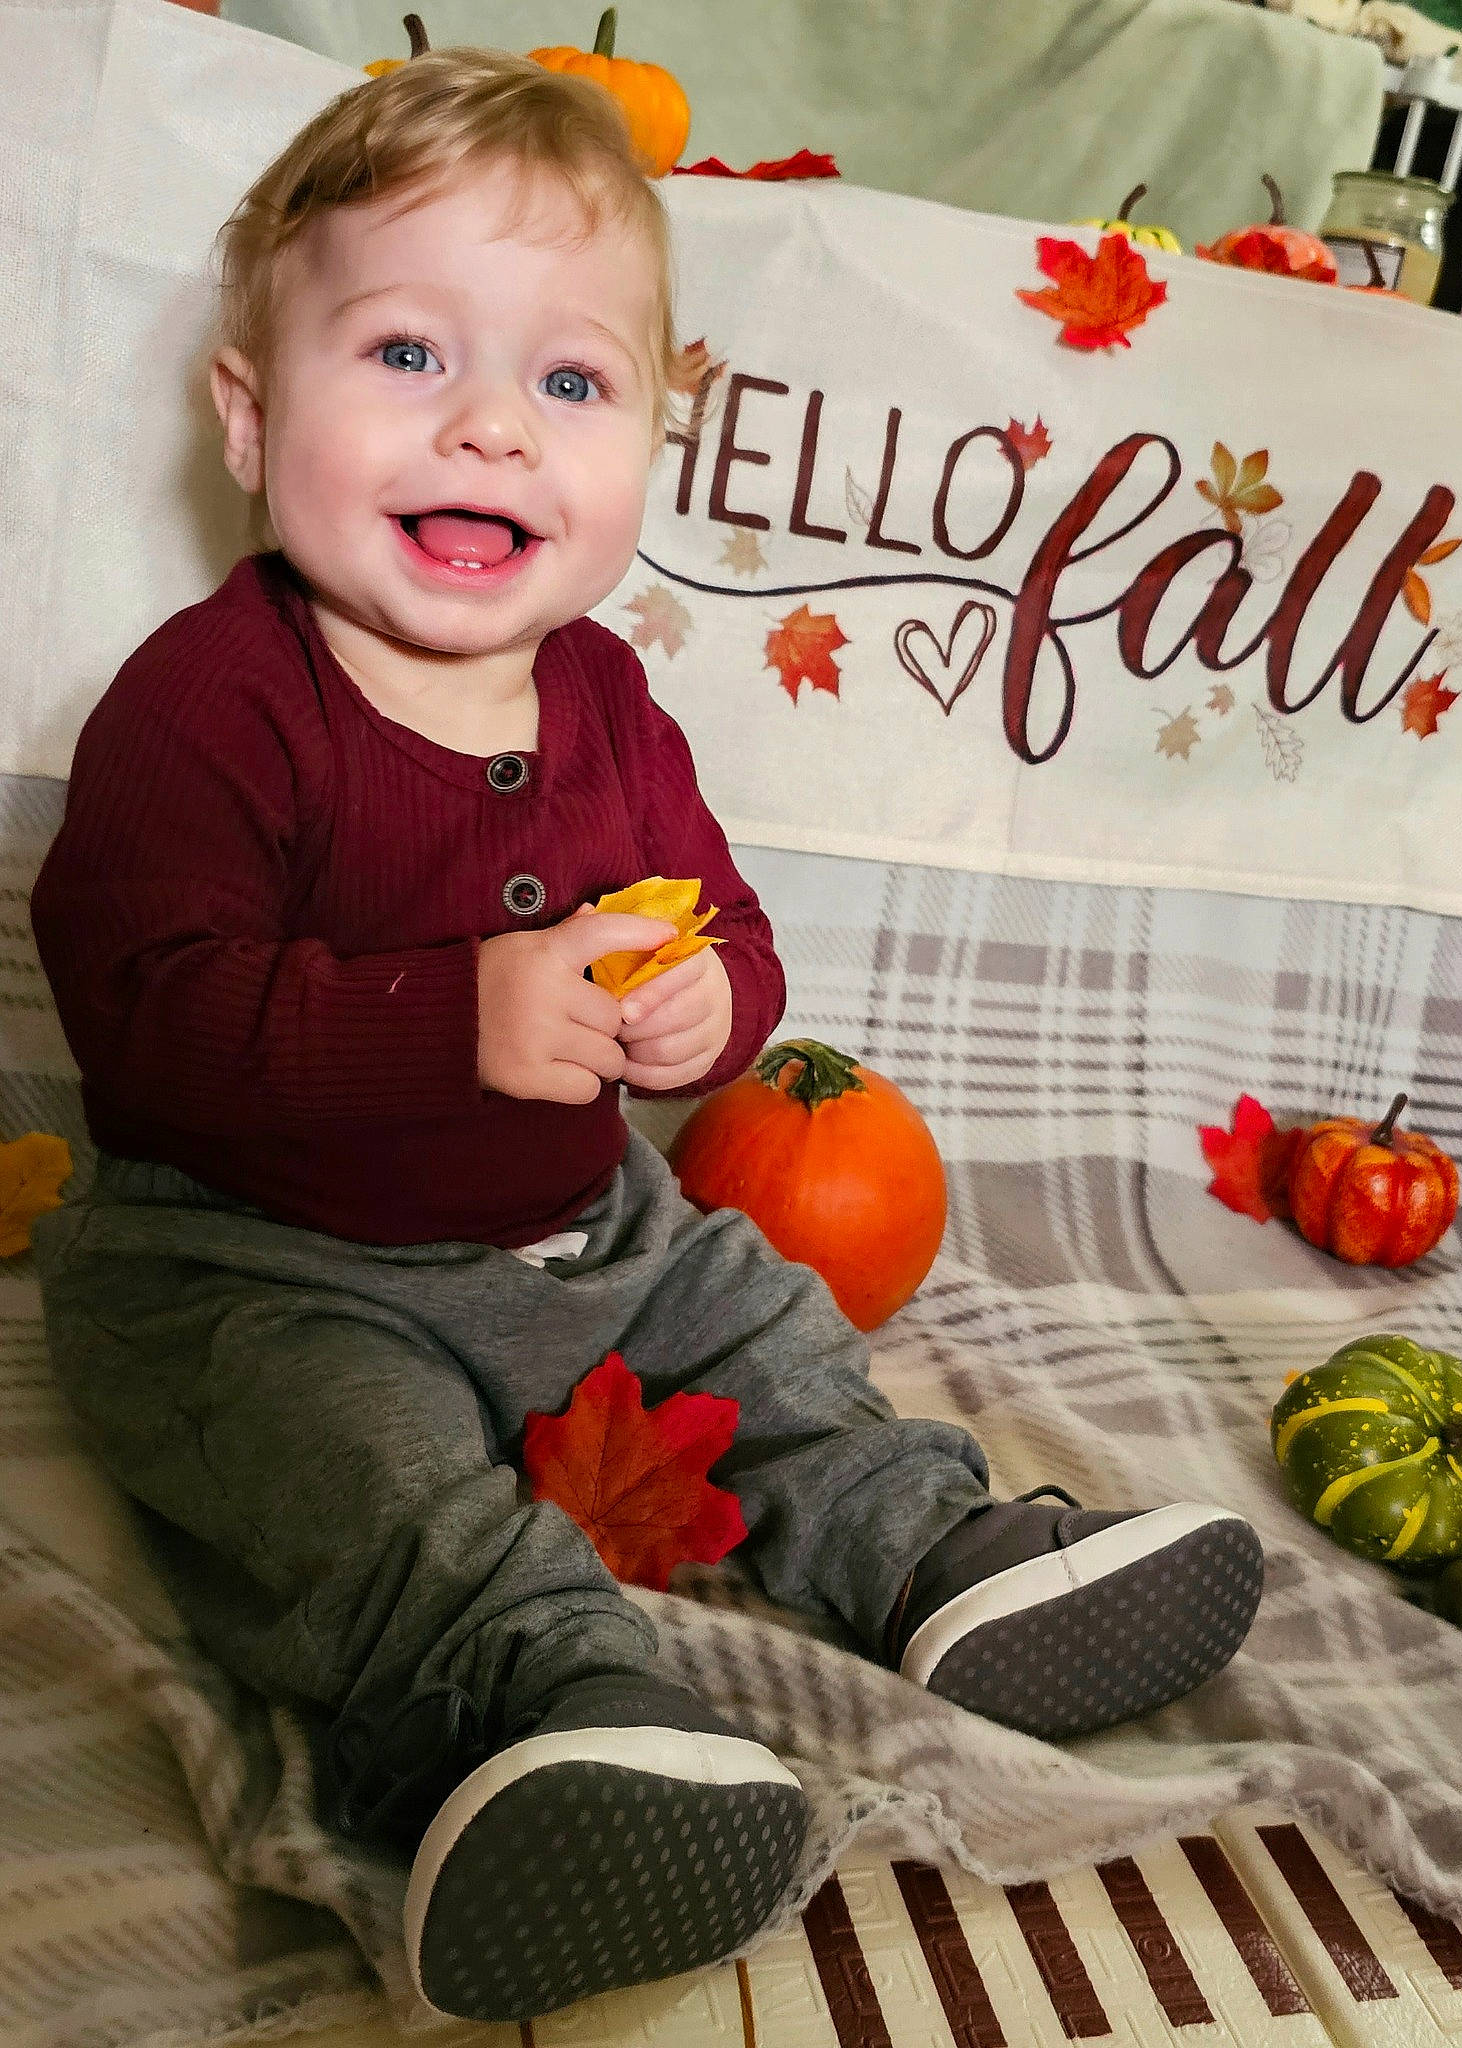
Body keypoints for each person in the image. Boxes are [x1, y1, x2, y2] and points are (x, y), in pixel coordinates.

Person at [26, 45, 1265, 2028]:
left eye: (571, 382)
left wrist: (715, 1009)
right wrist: (451, 1019)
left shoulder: (607, 701)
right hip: (261, 1267)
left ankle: (934, 1557)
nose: (497, 427)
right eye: (412, 355)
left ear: (645, 452)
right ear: (250, 418)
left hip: (587, 1245)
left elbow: (732, 925)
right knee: (352, 1476)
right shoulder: (209, 707)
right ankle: (543, 1718)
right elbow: (147, 1018)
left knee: (758, 1315)